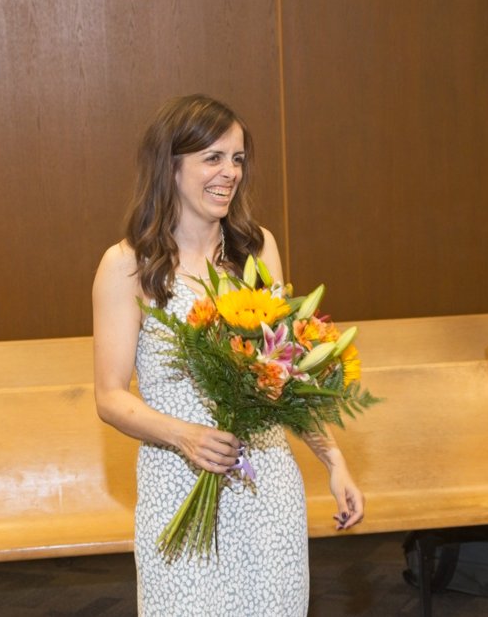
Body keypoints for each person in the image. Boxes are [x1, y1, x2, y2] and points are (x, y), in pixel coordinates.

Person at [92, 94, 364, 616]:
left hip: (267, 486)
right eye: (212, 158)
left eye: (237, 159)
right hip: (179, 484)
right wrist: (186, 435)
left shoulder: (257, 249)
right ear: (170, 166)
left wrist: (335, 462)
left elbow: (284, 375)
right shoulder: (128, 264)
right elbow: (109, 397)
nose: (229, 173)